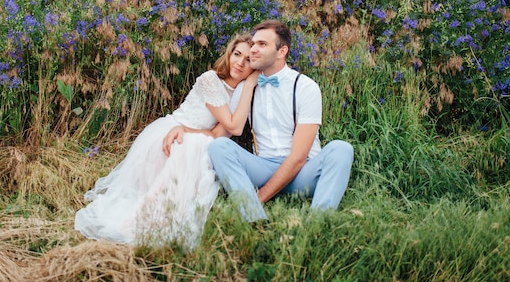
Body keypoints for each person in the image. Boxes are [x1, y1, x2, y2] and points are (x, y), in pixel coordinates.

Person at [74, 32, 258, 250]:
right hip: (169, 136)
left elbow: (221, 134)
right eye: (237, 54)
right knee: (187, 146)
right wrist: (182, 128)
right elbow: (234, 126)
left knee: (202, 146)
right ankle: (144, 220)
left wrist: (247, 88)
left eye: (248, 60)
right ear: (229, 54)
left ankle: (164, 217)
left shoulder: (242, 94)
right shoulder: (211, 79)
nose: (240, 63)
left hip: (193, 138)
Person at [207, 20, 354, 222]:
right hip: (263, 168)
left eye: (262, 44)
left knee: (341, 149)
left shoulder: (305, 87)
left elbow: (299, 158)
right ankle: (254, 219)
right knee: (219, 147)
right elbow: (222, 132)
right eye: (253, 44)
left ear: (281, 51)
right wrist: (180, 131)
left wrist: (260, 196)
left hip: (302, 174)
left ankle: (317, 223)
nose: (253, 50)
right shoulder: (245, 88)